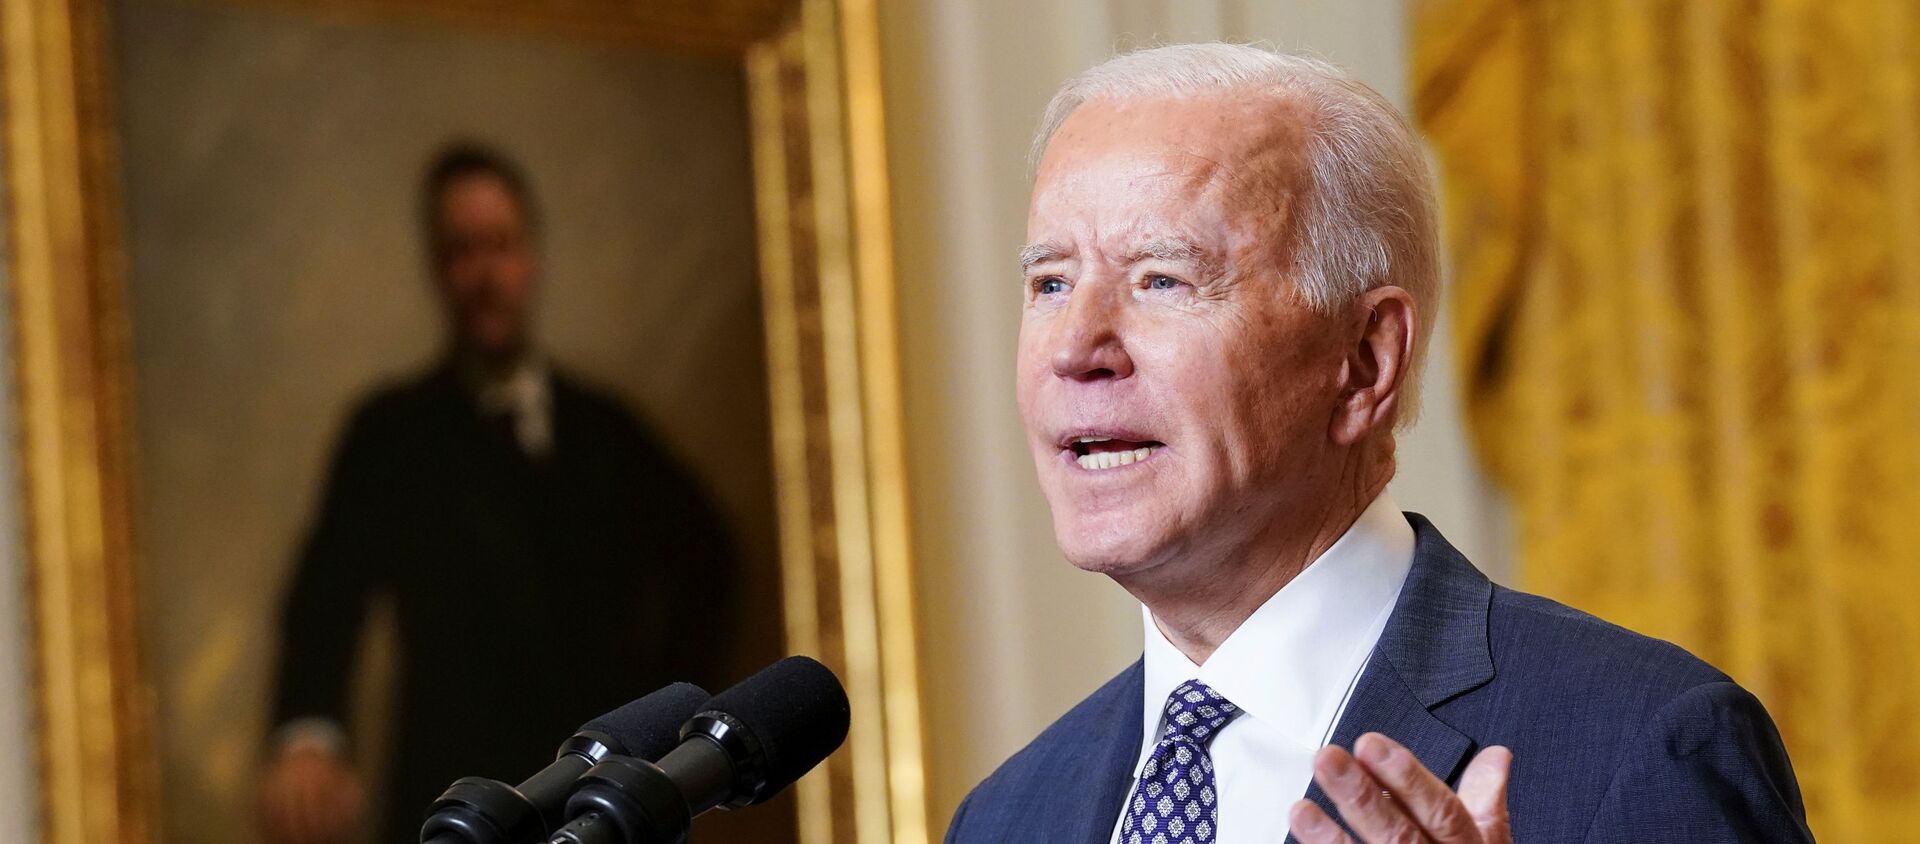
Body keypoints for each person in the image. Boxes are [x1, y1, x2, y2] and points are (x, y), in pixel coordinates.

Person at [945, 44, 1812, 844]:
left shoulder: (1648, 744)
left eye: (1161, 279)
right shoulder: (1010, 815)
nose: (1073, 348)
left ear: (1364, 362)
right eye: (1050, 281)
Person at [257, 144, 738, 844]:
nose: (486, 275)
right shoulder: (391, 434)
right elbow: (327, 594)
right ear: (437, 269)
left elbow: (710, 560)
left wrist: (665, 725)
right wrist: (309, 736)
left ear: (532, 257)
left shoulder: (607, 432)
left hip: (601, 810)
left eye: (502, 246)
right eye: (463, 251)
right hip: (454, 807)